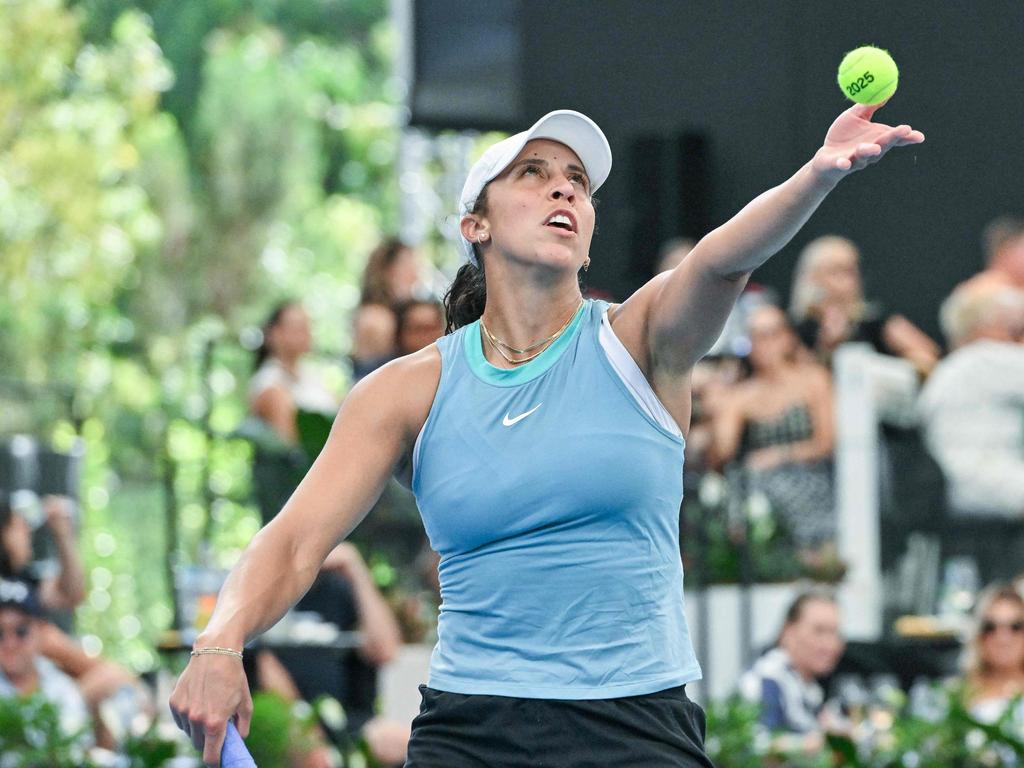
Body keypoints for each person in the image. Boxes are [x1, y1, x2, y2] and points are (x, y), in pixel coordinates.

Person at [170, 104, 924, 767]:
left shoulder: (640, 342)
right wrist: (219, 640)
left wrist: (819, 174)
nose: (564, 187)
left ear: (589, 235)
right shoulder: (405, 391)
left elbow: (724, 259)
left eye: (577, 182)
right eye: (533, 174)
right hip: (472, 728)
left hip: (635, 725)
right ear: (478, 224)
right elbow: (296, 540)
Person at [710, 304, 835, 553]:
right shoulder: (741, 395)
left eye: (771, 334)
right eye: (755, 336)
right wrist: (720, 406)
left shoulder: (813, 379)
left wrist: (779, 456)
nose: (763, 344)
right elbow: (721, 454)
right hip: (759, 486)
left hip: (810, 480)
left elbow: (826, 442)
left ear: (787, 337)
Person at [918, 281, 1024, 517]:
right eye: (1014, 329)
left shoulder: (953, 368)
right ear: (983, 327)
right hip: (981, 480)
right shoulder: (981, 358)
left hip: (969, 481)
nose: (1019, 339)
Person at [789, 235, 940, 373]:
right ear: (812, 278)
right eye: (836, 271)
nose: (848, 282)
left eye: (852, 271)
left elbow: (927, 356)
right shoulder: (796, 331)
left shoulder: (877, 322)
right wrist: (826, 347)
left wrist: (884, 371)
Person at [739, 591, 845, 754]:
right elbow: (755, 745)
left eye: (835, 633)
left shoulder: (806, 686)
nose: (830, 644)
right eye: (819, 631)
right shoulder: (769, 679)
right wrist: (816, 743)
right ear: (788, 632)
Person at [0, 576, 91, 744]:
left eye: (21, 631)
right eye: (0, 633)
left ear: (41, 630)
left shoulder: (62, 688)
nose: (9, 643)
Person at [249, 301, 340, 446]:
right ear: (275, 334)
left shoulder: (312, 374)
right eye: (298, 327)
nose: (306, 333)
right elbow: (290, 443)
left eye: (308, 327)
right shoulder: (269, 383)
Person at [0, 492, 85, 613]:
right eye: (19, 526)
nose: (28, 531)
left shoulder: (25, 580)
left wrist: (63, 535)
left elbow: (71, 595)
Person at [962, 584, 1024, 727]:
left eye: (1016, 627)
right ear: (978, 634)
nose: (1003, 638)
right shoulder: (957, 695)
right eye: (990, 627)